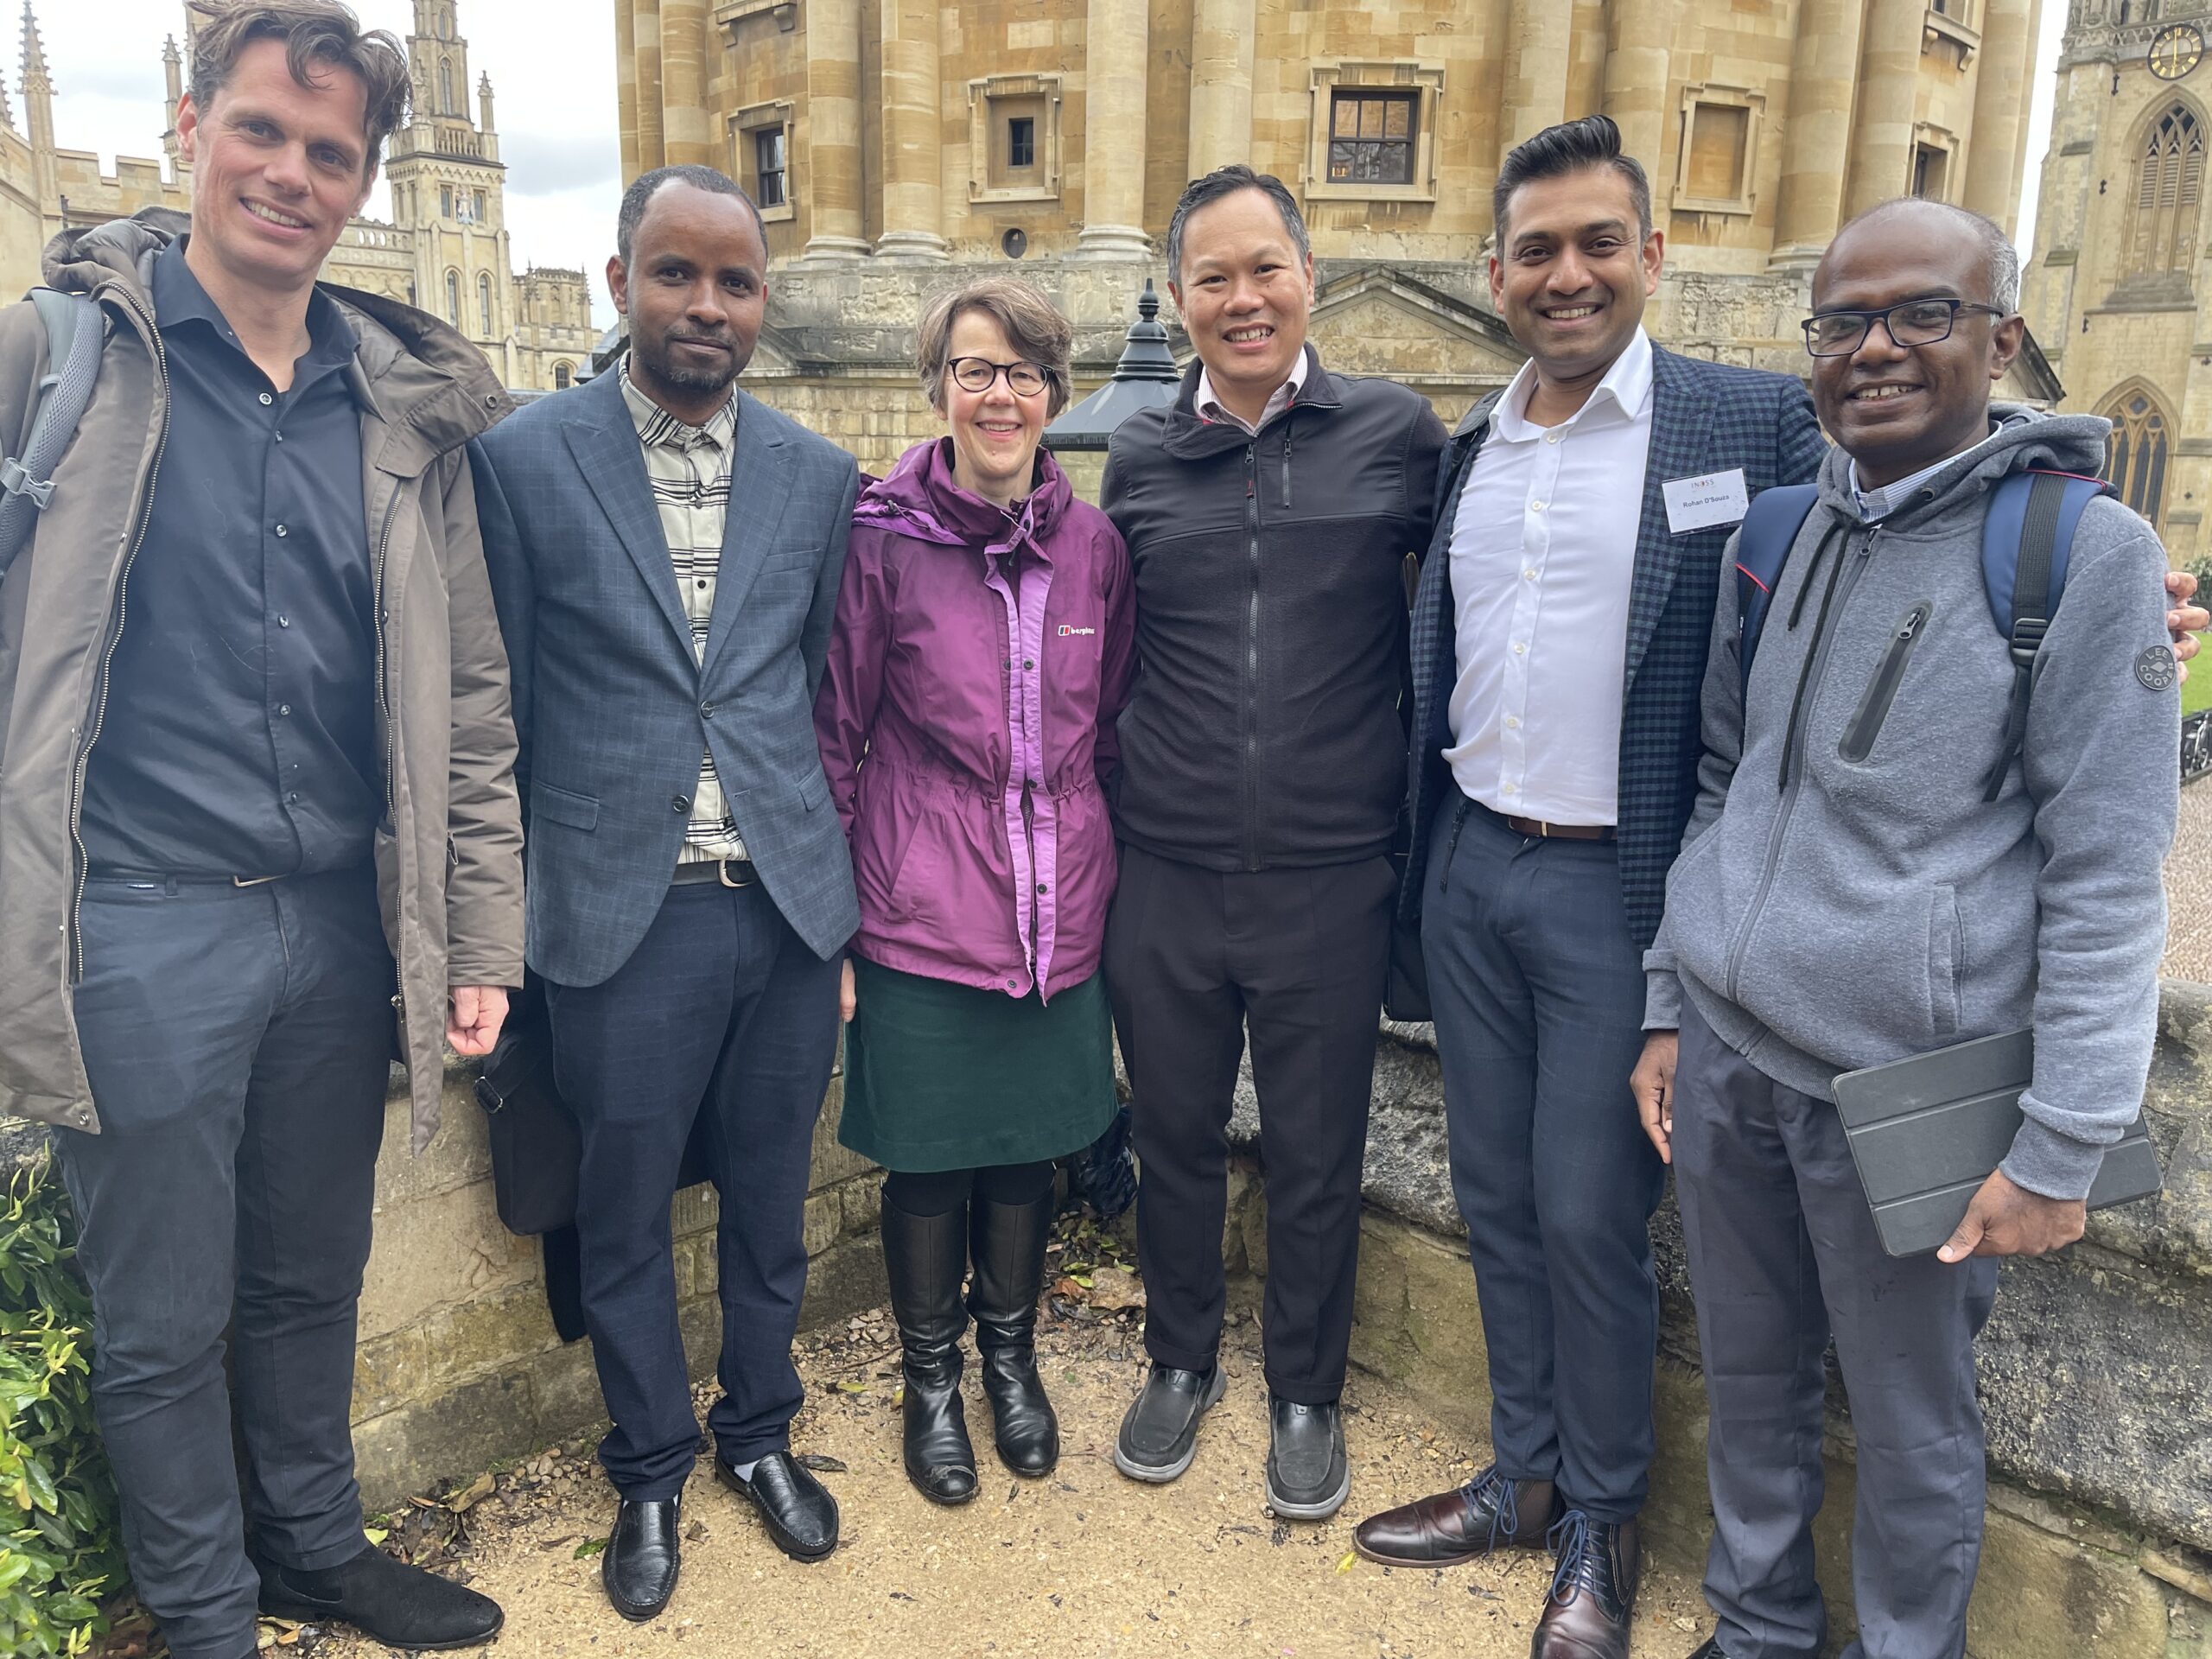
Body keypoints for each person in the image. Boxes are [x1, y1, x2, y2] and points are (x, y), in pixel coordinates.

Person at [1351, 117, 2207, 1659]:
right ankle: (1543, 1488)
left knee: (1599, 1225)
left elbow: (2104, 867)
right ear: (1490, 274)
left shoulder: (1744, 429)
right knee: (1513, 1214)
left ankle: (1608, 1532)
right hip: (1498, 879)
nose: (1567, 276)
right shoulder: (1482, 448)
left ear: (1655, 259)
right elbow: (1737, 751)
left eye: (1600, 243)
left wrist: (2120, 583)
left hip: (1652, 913)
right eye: (1535, 250)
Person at [0, 5, 522, 1656]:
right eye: (261, 134)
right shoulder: (57, 361)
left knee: (310, 1275)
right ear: (189, 126)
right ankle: (206, 1612)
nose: (290, 176)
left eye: (329, 153)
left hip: (339, 924)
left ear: (365, 182)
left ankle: (309, 1545)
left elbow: (469, 705)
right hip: (140, 918)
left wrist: (479, 934)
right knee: (158, 1321)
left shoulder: (395, 404)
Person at [1634, 198, 2180, 1659]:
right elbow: (1721, 784)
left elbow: (2112, 874)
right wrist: (1666, 1005)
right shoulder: (1781, 529)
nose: (1873, 347)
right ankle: (1755, 1628)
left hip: (1906, 1089)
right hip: (1735, 1056)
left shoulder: (2084, 553)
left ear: (2000, 338)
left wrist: (2063, 1142)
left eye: (1920, 314)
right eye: (1842, 322)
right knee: (1749, 1385)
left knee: (1912, 1426)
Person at [474, 164, 859, 1621]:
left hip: (781, 903)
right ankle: (646, 1464)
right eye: (676, 275)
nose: (707, 305)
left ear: (765, 298)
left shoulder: (818, 477)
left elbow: (813, 693)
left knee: (773, 1198)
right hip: (616, 911)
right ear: (622, 277)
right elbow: (493, 703)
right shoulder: (524, 459)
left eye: (735, 281)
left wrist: (834, 911)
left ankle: (758, 1435)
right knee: (623, 1212)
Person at [1100, 166, 1448, 1521]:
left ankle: (1306, 1388)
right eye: (1211, 278)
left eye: (1264, 270)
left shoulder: (1399, 435)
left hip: (1328, 877)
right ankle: (1179, 1358)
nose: (1241, 300)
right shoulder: (1137, 455)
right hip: (1166, 870)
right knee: (1172, 1138)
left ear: (1308, 273)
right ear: (1180, 296)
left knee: (1317, 1150)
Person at [814, 278, 1134, 1508]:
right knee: (931, 1167)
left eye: (1024, 373)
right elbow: (835, 736)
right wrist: (837, 927)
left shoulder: (1094, 547)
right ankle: (933, 1380)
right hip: (919, 915)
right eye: (973, 369)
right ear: (938, 385)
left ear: (1055, 393)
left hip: (1059, 917)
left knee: (1024, 1160)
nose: (999, 394)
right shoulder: (882, 538)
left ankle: (1013, 1363)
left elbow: (1101, 732)